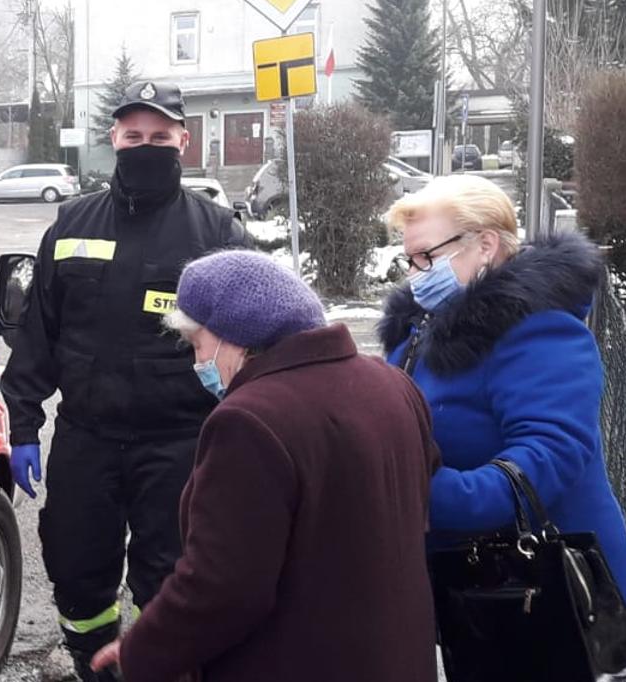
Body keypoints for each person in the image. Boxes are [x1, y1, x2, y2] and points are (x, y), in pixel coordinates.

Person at [88, 250, 439, 682]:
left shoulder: (249, 420)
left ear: (231, 336)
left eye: (197, 345)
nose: (197, 364)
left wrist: (143, 652)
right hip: (395, 656)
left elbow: (223, 587)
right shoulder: (391, 384)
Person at [0, 80, 250, 679]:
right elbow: (40, 332)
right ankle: (95, 666)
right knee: (75, 569)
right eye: (133, 135)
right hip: (86, 439)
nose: (145, 146)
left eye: (159, 137)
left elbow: (252, 345)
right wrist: (25, 424)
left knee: (170, 578)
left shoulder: (215, 232)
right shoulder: (71, 222)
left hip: (181, 443)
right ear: (113, 139)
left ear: (183, 142)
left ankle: (161, 668)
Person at [378, 175, 626, 613]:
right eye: (409, 261)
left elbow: (551, 455)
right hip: (478, 585)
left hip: (551, 594)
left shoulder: (541, 330)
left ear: (485, 245)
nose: (415, 275)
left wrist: (425, 494)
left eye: (427, 257)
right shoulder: (424, 328)